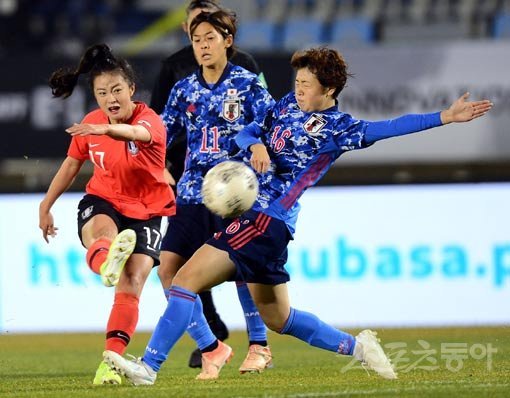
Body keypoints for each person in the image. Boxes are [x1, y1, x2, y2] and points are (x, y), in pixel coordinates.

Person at [103, 46, 493, 385]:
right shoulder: (287, 104)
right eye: (298, 81)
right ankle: (359, 348)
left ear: (330, 90)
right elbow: (247, 131)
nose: (299, 89)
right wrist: (255, 144)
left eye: (307, 84)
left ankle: (150, 366)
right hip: (263, 223)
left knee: (184, 279)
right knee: (280, 319)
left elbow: (389, 127)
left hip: (266, 219)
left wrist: (444, 116)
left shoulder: (339, 129)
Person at [38, 43, 176, 385]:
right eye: (102, 93)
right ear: (95, 96)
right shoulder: (91, 123)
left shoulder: (149, 120)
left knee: (133, 282)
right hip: (105, 199)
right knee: (102, 236)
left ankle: (111, 363)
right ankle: (107, 263)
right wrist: (46, 204)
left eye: (116, 89)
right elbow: (72, 164)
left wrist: (108, 130)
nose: (110, 98)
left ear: (131, 89)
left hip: (148, 209)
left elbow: (137, 134)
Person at [155, 9, 275, 379]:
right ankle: (212, 347)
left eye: (210, 38)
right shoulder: (183, 88)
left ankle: (259, 345)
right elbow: (162, 132)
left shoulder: (248, 84)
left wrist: (258, 145)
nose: (203, 46)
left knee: (242, 270)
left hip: (234, 192)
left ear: (227, 41)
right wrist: (157, 162)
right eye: (196, 40)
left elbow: (272, 125)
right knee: (168, 271)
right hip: (192, 192)